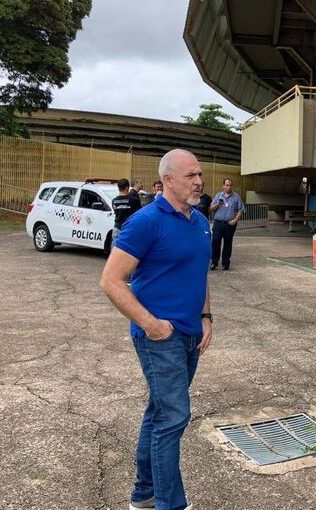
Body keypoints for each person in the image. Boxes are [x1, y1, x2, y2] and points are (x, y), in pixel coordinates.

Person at [99, 149, 213, 510]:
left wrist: (207, 317)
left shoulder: (199, 220)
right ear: (166, 180)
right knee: (174, 418)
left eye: (200, 175)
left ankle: (143, 495)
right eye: (190, 175)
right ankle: (171, 504)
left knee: (160, 413)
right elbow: (111, 281)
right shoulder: (146, 221)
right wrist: (151, 325)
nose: (198, 181)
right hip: (160, 337)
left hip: (191, 334)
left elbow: (199, 271)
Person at [210, 178, 245, 270]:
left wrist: (235, 220)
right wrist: (218, 204)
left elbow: (241, 209)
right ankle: (214, 262)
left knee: (227, 244)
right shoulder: (218, 196)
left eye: (230, 185)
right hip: (218, 223)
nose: (229, 187)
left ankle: (226, 263)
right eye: (227, 185)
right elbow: (211, 208)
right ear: (223, 186)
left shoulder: (236, 197)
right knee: (215, 242)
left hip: (230, 224)